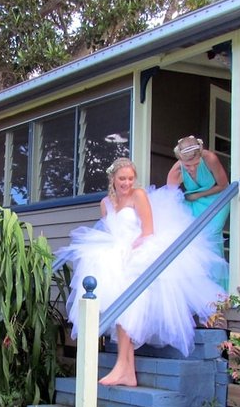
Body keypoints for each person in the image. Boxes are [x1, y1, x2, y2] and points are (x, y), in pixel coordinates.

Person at [56, 157, 227, 387]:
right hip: (115, 251)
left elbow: (148, 231)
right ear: (113, 179)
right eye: (122, 178)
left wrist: (130, 250)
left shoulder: (139, 196)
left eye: (130, 178)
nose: (126, 183)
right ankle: (126, 369)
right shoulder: (106, 202)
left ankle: (124, 367)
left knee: (125, 296)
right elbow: (108, 230)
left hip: (139, 250)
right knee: (115, 296)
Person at [166, 136, 230, 288]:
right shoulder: (175, 170)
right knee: (196, 242)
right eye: (188, 166)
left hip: (216, 199)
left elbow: (224, 185)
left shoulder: (210, 159)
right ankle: (202, 286)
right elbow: (170, 197)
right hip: (193, 204)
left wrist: (197, 195)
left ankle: (219, 288)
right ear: (180, 160)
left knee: (211, 238)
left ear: (201, 156)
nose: (192, 168)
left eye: (195, 164)